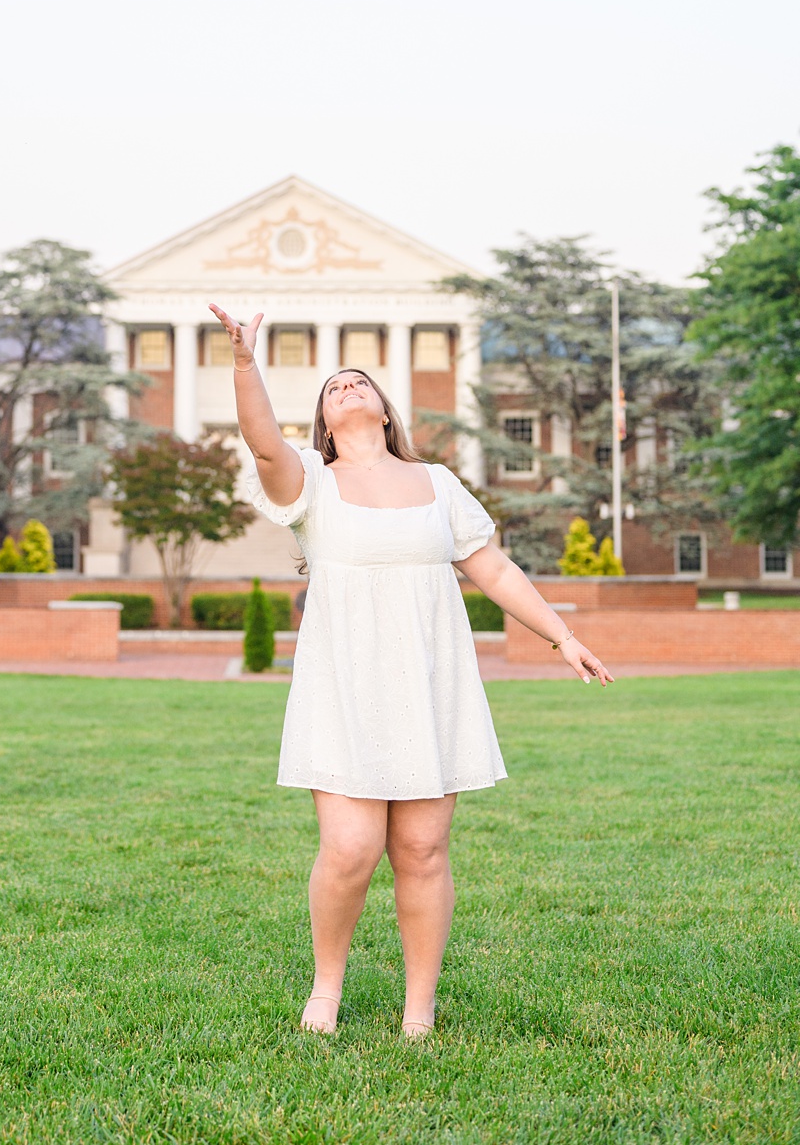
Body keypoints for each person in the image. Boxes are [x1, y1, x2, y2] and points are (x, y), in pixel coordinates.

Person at [208, 305, 610, 1042]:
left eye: (360, 382)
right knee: (351, 850)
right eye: (335, 388)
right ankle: (326, 987)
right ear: (325, 426)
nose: (349, 387)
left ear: (384, 411)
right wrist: (243, 361)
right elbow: (263, 443)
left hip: (431, 682)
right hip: (346, 683)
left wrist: (562, 635)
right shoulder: (312, 485)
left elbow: (490, 564)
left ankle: (418, 1008)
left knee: (423, 851)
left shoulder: (438, 482)